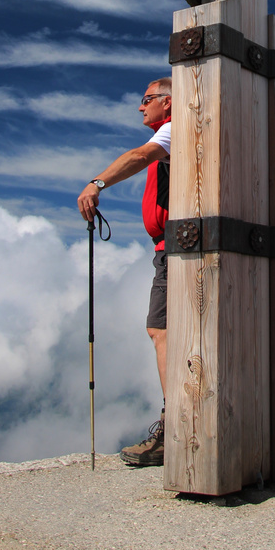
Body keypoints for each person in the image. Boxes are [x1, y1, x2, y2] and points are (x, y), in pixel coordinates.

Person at [77, 77, 172, 466]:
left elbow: (138, 156)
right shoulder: (176, 128)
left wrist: (97, 183)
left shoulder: (171, 130)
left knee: (162, 331)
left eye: (147, 99)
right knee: (167, 331)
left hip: (177, 249)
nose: (140, 107)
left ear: (168, 102)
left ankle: (175, 427)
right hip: (171, 247)